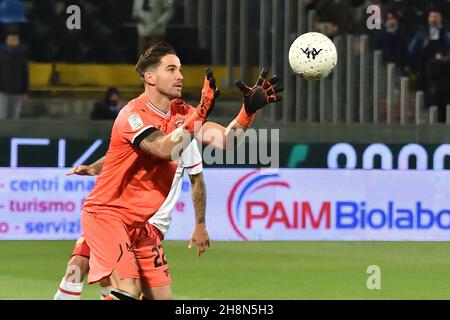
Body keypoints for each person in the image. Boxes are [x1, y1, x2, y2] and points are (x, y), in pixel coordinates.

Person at [81, 41, 282, 300]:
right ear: (150, 78)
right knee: (128, 289)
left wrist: (247, 112)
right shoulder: (133, 114)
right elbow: (164, 148)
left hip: (140, 225)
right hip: (106, 215)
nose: (180, 76)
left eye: (180, 69)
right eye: (172, 69)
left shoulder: (182, 112)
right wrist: (198, 114)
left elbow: (226, 141)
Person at [54, 143, 206, 300]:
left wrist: (200, 224)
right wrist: (93, 168)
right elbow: (119, 155)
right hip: (119, 216)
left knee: (136, 290)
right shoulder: (144, 126)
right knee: (78, 264)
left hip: (153, 224)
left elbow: (197, 178)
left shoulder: (186, 139)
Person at [409, 8, 450, 122]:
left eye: (436, 17)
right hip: (424, 75)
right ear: (428, 19)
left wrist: (445, 58)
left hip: (442, 75)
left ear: (440, 19)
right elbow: (412, 52)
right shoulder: (421, 34)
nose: (434, 19)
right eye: (432, 17)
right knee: (426, 102)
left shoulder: (445, 34)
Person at [0, 27, 28, 119]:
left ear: (18, 42)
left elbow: (25, 75)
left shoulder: (22, 57)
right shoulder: (1, 56)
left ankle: (11, 134)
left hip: (17, 93)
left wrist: (24, 93)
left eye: (15, 39)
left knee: (14, 119)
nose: (13, 41)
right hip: (3, 92)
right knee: (2, 118)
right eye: (11, 39)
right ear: (6, 41)